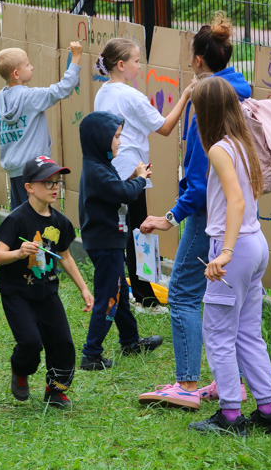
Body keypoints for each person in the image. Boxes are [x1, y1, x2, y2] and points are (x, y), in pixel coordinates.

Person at [138, 12, 253, 410]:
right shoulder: (238, 90)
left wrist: (168, 218)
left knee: (185, 295)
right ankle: (229, 383)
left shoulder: (210, 103)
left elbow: (201, 184)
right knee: (228, 302)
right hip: (242, 216)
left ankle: (187, 384)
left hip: (209, 214)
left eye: (192, 57)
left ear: (199, 61)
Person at [185, 76, 271, 436]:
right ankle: (270, 411)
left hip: (236, 250)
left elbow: (236, 200)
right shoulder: (244, 141)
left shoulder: (218, 148)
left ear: (206, 112)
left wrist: (225, 252)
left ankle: (231, 416)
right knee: (248, 333)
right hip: (256, 244)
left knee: (216, 333)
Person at [0, 156, 93, 408]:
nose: (55, 187)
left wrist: (84, 288)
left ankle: (56, 392)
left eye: (57, 182)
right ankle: (21, 371)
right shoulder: (17, 219)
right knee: (30, 343)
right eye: (47, 182)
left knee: (63, 343)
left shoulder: (60, 222)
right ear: (29, 187)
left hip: (47, 293)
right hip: (17, 293)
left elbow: (66, 256)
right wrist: (18, 253)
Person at [92, 38, 183, 310]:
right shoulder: (131, 96)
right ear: (121, 65)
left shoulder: (103, 92)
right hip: (133, 174)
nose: (139, 66)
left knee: (121, 230)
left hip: (113, 171)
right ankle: (144, 297)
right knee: (139, 230)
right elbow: (165, 128)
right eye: (136, 61)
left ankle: (126, 288)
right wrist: (187, 94)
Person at [77, 112, 162, 371]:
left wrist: (134, 179)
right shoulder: (97, 171)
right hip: (105, 242)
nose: (120, 143)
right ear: (100, 140)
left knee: (120, 292)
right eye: (116, 137)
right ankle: (91, 353)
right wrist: (138, 179)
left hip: (109, 239)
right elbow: (123, 192)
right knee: (109, 296)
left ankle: (130, 340)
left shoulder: (101, 167)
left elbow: (117, 192)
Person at [0, 42, 83, 210]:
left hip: (15, 169)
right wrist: (76, 57)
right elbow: (62, 89)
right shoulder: (30, 97)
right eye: (27, 65)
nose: (32, 67)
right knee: (36, 217)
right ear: (16, 73)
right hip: (36, 170)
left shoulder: (2, 97)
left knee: (20, 215)